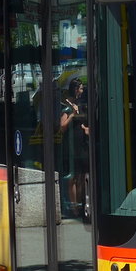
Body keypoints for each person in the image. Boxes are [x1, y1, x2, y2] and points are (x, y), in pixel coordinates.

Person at [59, 77, 90, 218]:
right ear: (76, 89)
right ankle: (74, 206)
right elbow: (62, 127)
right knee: (72, 176)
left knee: (81, 174)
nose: (82, 91)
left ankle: (81, 202)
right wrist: (73, 114)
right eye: (81, 88)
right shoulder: (66, 105)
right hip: (71, 144)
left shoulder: (80, 104)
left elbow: (81, 123)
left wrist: (86, 128)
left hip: (81, 142)